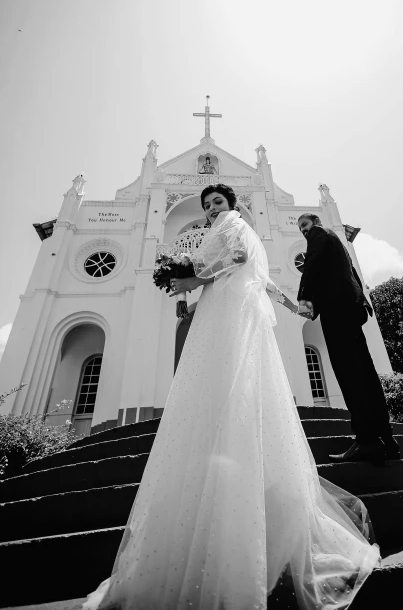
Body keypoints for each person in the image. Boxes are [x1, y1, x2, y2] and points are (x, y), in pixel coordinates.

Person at [83, 185, 379, 610]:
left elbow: (240, 262)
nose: (210, 209)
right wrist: (285, 303)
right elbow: (259, 276)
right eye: (206, 206)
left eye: (216, 202)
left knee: (234, 380)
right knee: (217, 381)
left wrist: (193, 278)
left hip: (229, 306)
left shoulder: (236, 226)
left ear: (232, 205)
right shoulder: (224, 229)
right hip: (221, 305)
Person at [297, 214, 400, 465]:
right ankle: (387, 440)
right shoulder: (337, 243)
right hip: (352, 309)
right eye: (300, 228)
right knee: (366, 375)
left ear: (315, 222)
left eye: (304, 226)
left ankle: (367, 441)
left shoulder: (319, 234)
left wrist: (304, 298)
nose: (303, 231)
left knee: (349, 374)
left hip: (338, 311)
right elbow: (350, 275)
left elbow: (311, 264)